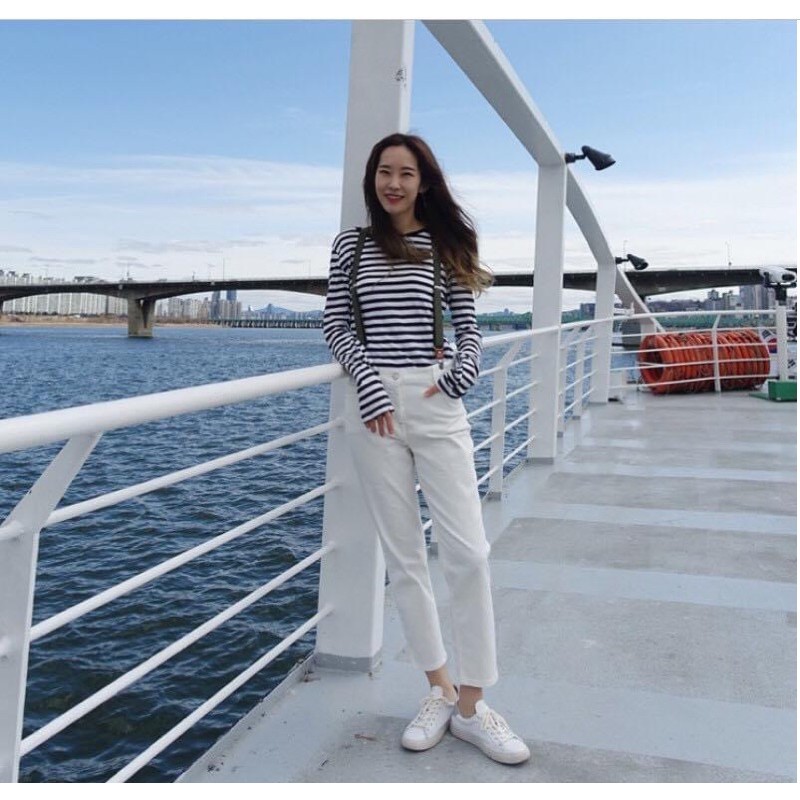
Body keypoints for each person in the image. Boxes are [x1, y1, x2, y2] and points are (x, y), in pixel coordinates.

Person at [323, 132, 530, 766]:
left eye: (406, 173)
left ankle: (473, 704)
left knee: (468, 551)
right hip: (374, 406)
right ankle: (439, 689)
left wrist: (460, 374)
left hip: (436, 399)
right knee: (406, 556)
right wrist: (367, 382)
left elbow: (469, 331)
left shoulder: (444, 244)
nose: (393, 183)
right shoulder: (351, 245)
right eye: (384, 172)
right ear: (372, 179)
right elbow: (336, 323)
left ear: (424, 182)